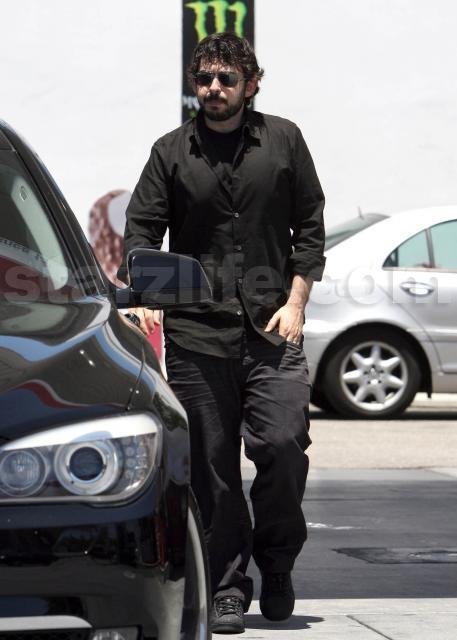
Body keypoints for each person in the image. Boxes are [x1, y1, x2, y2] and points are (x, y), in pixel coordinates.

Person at [118, 32, 325, 634]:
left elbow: (310, 230)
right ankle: (228, 585)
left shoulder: (284, 140)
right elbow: (141, 231)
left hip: (271, 330)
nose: (213, 89)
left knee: (282, 446)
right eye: (204, 78)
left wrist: (296, 304)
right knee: (212, 469)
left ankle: (278, 564)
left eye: (226, 79)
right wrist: (147, 296)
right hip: (197, 335)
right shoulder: (170, 152)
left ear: (251, 84)